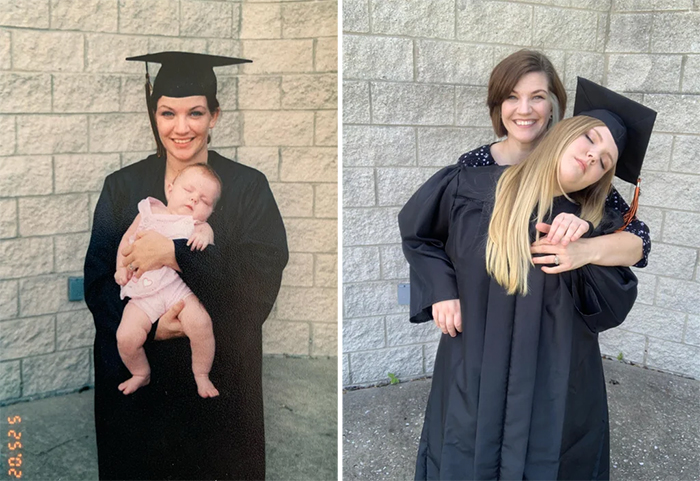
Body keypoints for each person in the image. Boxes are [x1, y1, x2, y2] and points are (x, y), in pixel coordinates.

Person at [399, 78, 656, 480]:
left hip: (556, 373)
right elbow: (420, 234)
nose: (593, 157)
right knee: (465, 452)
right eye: (588, 139)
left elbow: (638, 246)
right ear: (563, 133)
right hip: (476, 358)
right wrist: (441, 291)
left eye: (605, 160)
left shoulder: (595, 214)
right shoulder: (472, 184)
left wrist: (586, 246)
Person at [84, 51, 289, 480]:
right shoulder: (122, 187)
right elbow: (99, 278)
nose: (181, 128)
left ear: (214, 116)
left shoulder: (247, 186)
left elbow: (260, 278)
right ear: (154, 115)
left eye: (195, 112)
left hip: (218, 371)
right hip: (143, 368)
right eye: (167, 113)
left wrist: (174, 255)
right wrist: (152, 326)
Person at [432, 50, 651, 338]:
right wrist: (442, 290)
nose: (524, 110)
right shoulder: (472, 169)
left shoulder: (580, 171)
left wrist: (585, 243)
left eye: (537, 97)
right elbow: (433, 237)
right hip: (481, 327)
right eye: (511, 96)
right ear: (498, 105)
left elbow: (639, 240)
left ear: (554, 106)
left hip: (546, 336)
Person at [115, 163, 223, 398]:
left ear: (210, 211)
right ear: (170, 189)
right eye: (189, 190)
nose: (195, 199)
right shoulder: (148, 212)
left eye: (204, 201)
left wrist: (205, 236)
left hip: (178, 291)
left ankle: (202, 374)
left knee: (201, 324)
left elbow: (208, 239)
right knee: (125, 336)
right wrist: (120, 268)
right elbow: (127, 239)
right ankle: (140, 373)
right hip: (143, 293)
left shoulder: (198, 225)